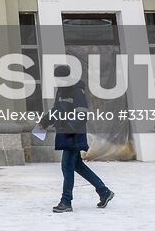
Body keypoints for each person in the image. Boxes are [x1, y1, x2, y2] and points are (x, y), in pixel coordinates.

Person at [43, 82, 115, 213]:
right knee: (78, 166)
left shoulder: (77, 92)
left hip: (74, 136)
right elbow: (57, 110)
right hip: (66, 135)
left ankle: (66, 202)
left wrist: (70, 127)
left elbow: (82, 114)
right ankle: (104, 192)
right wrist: (44, 121)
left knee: (67, 167)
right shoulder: (61, 91)